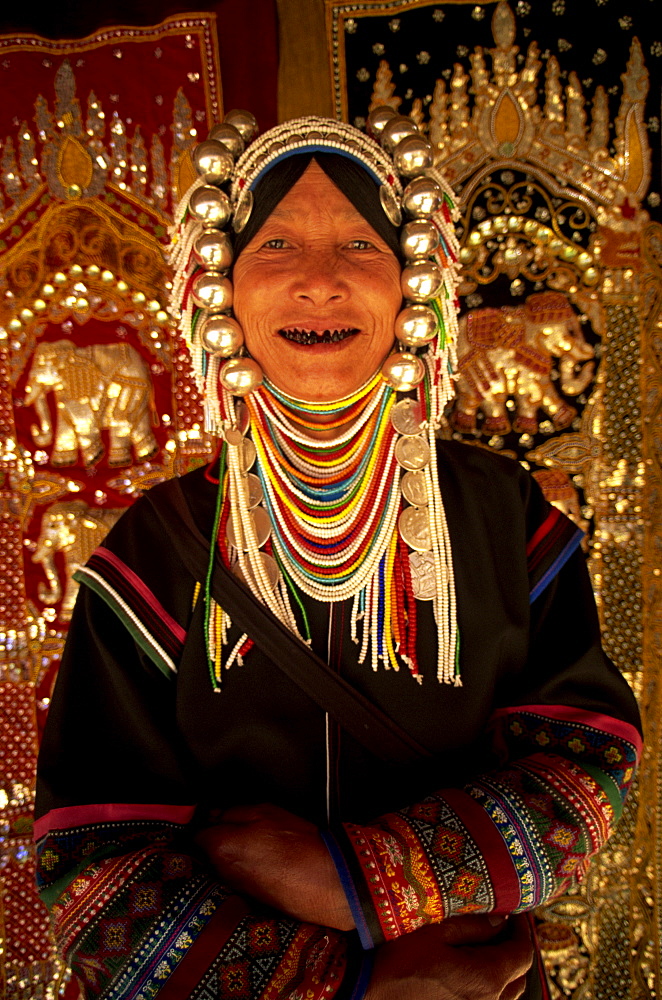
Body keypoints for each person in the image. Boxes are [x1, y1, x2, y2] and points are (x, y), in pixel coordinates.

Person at [34, 112, 642, 1000]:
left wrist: (357, 880)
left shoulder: (500, 515)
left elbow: (586, 759)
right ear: (219, 289)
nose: (318, 283)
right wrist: (357, 986)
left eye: (360, 246)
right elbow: (92, 867)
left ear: (413, 286)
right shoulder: (158, 546)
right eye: (277, 244)